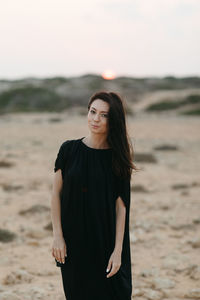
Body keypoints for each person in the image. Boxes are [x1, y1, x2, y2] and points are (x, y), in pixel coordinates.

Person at [51, 91, 137, 300]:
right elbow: (56, 194)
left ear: (113, 120)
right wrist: (58, 236)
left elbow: (121, 207)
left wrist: (118, 252)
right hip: (73, 242)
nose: (96, 119)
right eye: (92, 111)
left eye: (104, 115)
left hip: (105, 241)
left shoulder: (117, 159)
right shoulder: (68, 149)